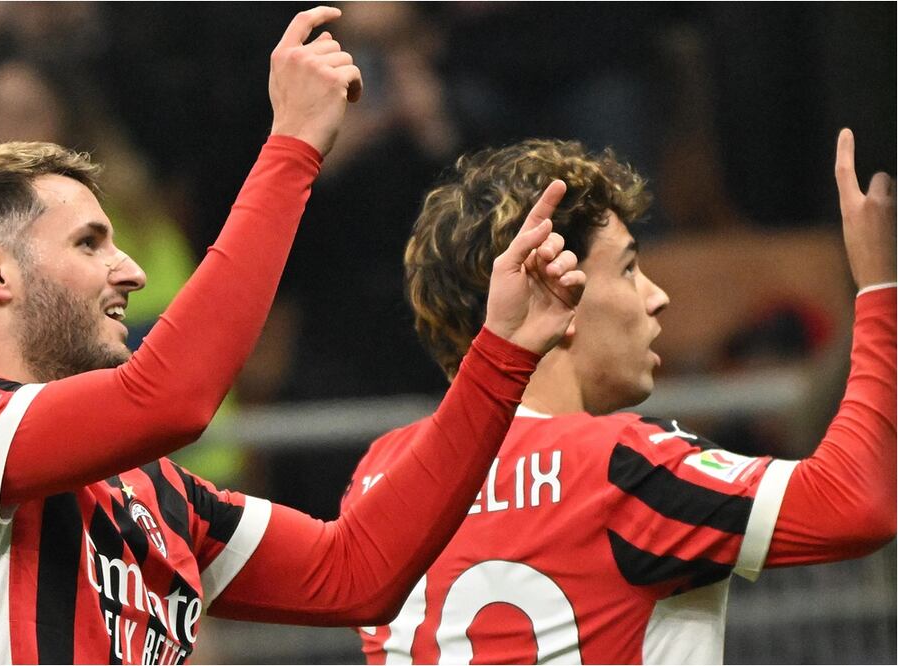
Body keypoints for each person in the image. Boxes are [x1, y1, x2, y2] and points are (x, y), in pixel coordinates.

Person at [0, 8, 589, 664]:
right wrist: (292, 146)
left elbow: (358, 571)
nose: (130, 270)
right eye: (90, 243)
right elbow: (170, 400)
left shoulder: (154, 492)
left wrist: (501, 352)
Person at [343, 130, 895, 664]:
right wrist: (880, 288)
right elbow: (855, 502)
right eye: (629, 268)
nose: (657, 296)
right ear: (559, 294)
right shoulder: (618, 465)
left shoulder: (379, 477)